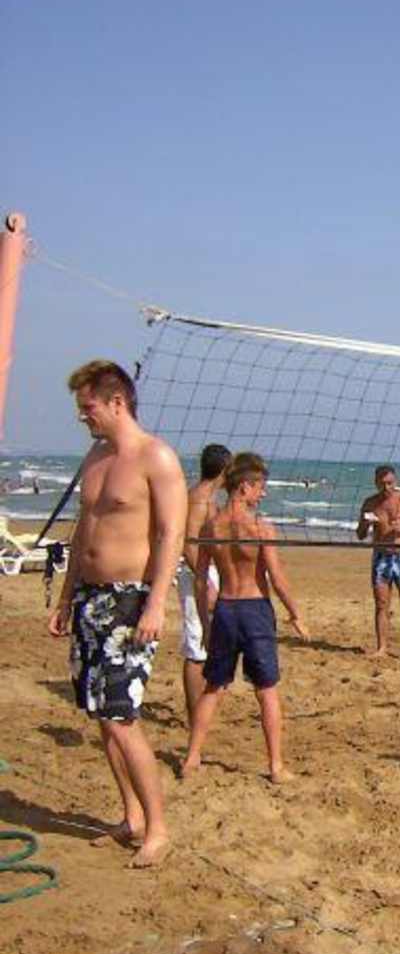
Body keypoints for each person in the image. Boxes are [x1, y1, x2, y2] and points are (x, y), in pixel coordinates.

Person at [48, 360, 187, 868]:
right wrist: (66, 598)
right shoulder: (96, 456)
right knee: (101, 717)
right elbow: (84, 530)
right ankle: (130, 816)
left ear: (116, 402)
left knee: (123, 718)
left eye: (87, 407)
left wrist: (156, 603)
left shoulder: (156, 457)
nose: (82, 416)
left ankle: (158, 829)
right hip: (90, 597)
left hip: (131, 601)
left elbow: (171, 534)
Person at [182, 452, 308, 783]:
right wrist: (295, 614)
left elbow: (200, 580)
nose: (263, 493)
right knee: (266, 690)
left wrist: (206, 624)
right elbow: (277, 578)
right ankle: (276, 766)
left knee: (214, 688)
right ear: (244, 487)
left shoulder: (211, 527)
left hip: (225, 609)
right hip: (254, 610)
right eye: (260, 487)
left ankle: (192, 757)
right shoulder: (260, 528)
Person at [179, 443, 231, 721]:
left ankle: (202, 708)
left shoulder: (210, 498)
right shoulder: (198, 499)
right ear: (224, 469)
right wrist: (205, 583)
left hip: (207, 570)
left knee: (210, 640)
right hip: (196, 573)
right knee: (196, 645)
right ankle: (193, 715)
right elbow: (187, 544)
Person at [357, 465, 400, 659]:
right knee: (381, 604)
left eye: (389, 483)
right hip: (381, 556)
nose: (386, 487)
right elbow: (360, 535)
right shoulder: (370, 503)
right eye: (382, 484)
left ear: (395, 481)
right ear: (376, 483)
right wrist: (366, 524)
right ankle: (382, 648)